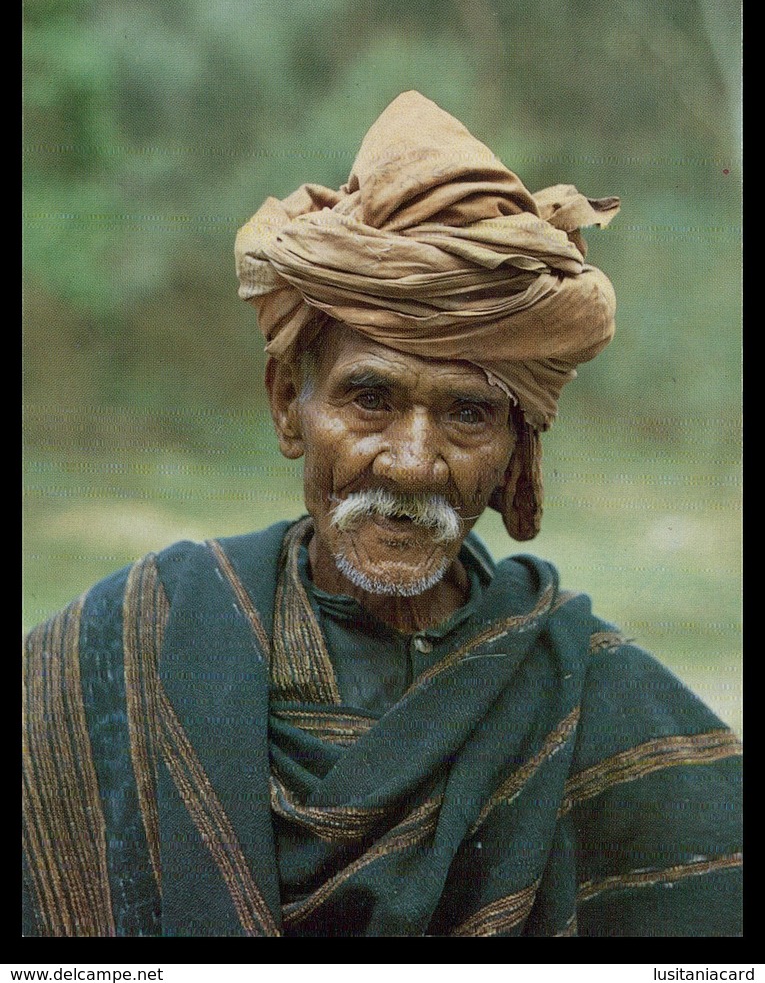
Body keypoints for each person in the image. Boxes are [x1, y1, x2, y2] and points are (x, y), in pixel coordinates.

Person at [22, 92, 742, 939]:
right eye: (370, 397)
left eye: (468, 414)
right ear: (290, 407)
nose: (409, 461)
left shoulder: (596, 700)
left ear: (516, 447)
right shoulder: (122, 650)